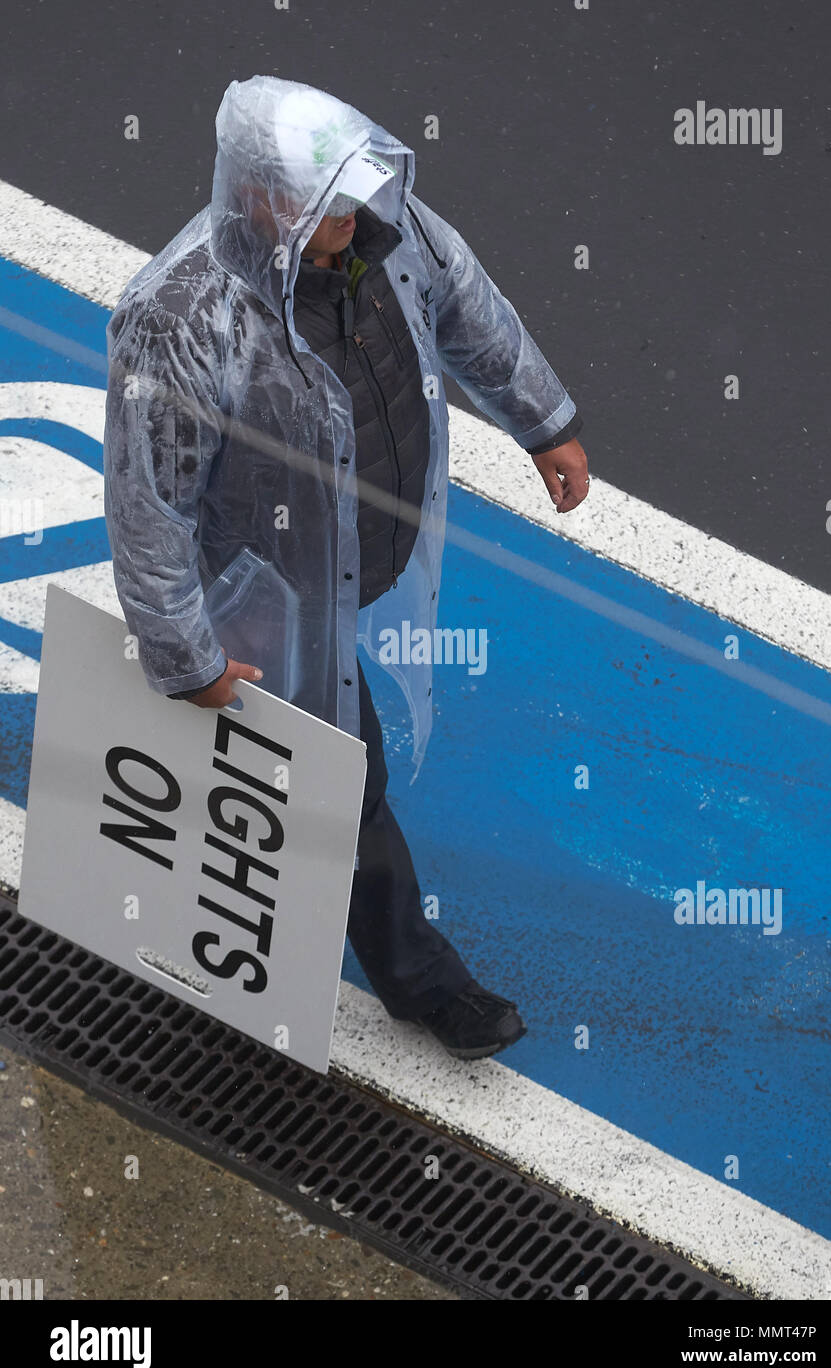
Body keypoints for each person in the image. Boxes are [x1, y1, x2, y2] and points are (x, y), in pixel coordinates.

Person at [103, 76, 589, 1061]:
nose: (357, 212)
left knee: (303, 766)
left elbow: (471, 313)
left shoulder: (385, 230)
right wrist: (183, 652)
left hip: (364, 550)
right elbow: (148, 503)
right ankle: (421, 983)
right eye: (326, 199)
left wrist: (543, 422)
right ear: (259, 200)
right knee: (342, 776)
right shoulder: (184, 315)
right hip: (266, 584)